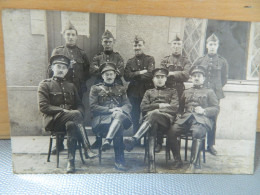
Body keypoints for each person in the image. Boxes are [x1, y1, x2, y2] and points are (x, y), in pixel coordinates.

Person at [38, 54, 97, 173]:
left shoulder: (71, 86)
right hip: (54, 121)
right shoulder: (45, 84)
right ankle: (87, 148)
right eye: (58, 66)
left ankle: (71, 162)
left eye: (64, 68)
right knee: (74, 115)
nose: (61, 70)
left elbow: (80, 104)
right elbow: (43, 106)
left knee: (71, 124)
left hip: (71, 119)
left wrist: (78, 112)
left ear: (67, 70)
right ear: (52, 68)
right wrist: (62, 110)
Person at [124, 68, 179, 172]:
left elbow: (174, 108)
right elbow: (143, 107)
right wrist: (160, 105)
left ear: (166, 79)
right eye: (157, 77)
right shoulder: (148, 92)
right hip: (151, 122)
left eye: (162, 77)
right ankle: (151, 164)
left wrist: (155, 109)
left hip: (166, 121)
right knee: (152, 126)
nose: (160, 79)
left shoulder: (173, 92)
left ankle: (135, 139)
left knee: (153, 114)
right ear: (153, 79)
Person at [49, 21, 91, 154]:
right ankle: (59, 143)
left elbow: (87, 71)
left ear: (77, 36)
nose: (71, 37)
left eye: (73, 34)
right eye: (68, 34)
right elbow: (50, 71)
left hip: (77, 90)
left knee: (77, 114)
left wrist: (79, 83)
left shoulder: (81, 53)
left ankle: (76, 142)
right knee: (61, 113)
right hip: (60, 90)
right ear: (64, 35)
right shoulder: (58, 51)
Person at [168, 65, 219, 171]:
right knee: (171, 132)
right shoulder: (186, 91)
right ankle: (178, 160)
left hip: (201, 120)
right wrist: (178, 114)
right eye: (194, 76)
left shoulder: (209, 92)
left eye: (199, 76)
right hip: (185, 119)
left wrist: (204, 111)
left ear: (203, 78)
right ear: (191, 78)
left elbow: (216, 108)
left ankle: (193, 164)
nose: (196, 78)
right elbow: (180, 108)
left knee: (197, 132)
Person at [89, 62, 132, 171]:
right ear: (102, 76)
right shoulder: (95, 89)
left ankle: (107, 141)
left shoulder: (121, 89)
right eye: (106, 74)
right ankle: (119, 161)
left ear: (115, 75)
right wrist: (110, 110)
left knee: (119, 119)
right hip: (101, 121)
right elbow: (93, 107)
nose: (109, 76)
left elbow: (128, 105)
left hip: (118, 117)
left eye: (111, 74)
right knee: (119, 126)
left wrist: (120, 109)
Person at [193, 33, 228, 155]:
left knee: (213, 119)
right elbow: (193, 73)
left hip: (215, 95)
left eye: (215, 44)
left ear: (217, 46)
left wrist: (214, 90)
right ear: (207, 45)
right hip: (201, 94)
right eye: (210, 44)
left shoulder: (222, 62)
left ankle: (210, 145)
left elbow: (224, 79)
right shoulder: (200, 60)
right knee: (200, 117)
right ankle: (200, 143)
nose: (212, 47)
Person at [155, 35, 191, 152]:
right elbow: (162, 74)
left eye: (178, 45)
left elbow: (186, 75)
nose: (176, 47)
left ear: (181, 46)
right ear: (171, 46)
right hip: (167, 90)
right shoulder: (165, 60)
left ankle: (172, 142)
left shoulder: (185, 60)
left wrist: (171, 73)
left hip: (180, 91)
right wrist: (177, 73)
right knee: (163, 113)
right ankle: (159, 142)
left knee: (177, 114)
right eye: (174, 44)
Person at [124, 35, 155, 137]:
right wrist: (141, 72)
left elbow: (150, 74)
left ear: (143, 46)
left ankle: (146, 139)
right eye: (135, 45)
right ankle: (135, 137)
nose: (137, 47)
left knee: (147, 115)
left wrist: (135, 74)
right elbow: (126, 77)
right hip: (133, 92)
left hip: (147, 91)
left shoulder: (150, 59)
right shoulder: (130, 61)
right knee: (135, 116)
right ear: (133, 47)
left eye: (139, 45)